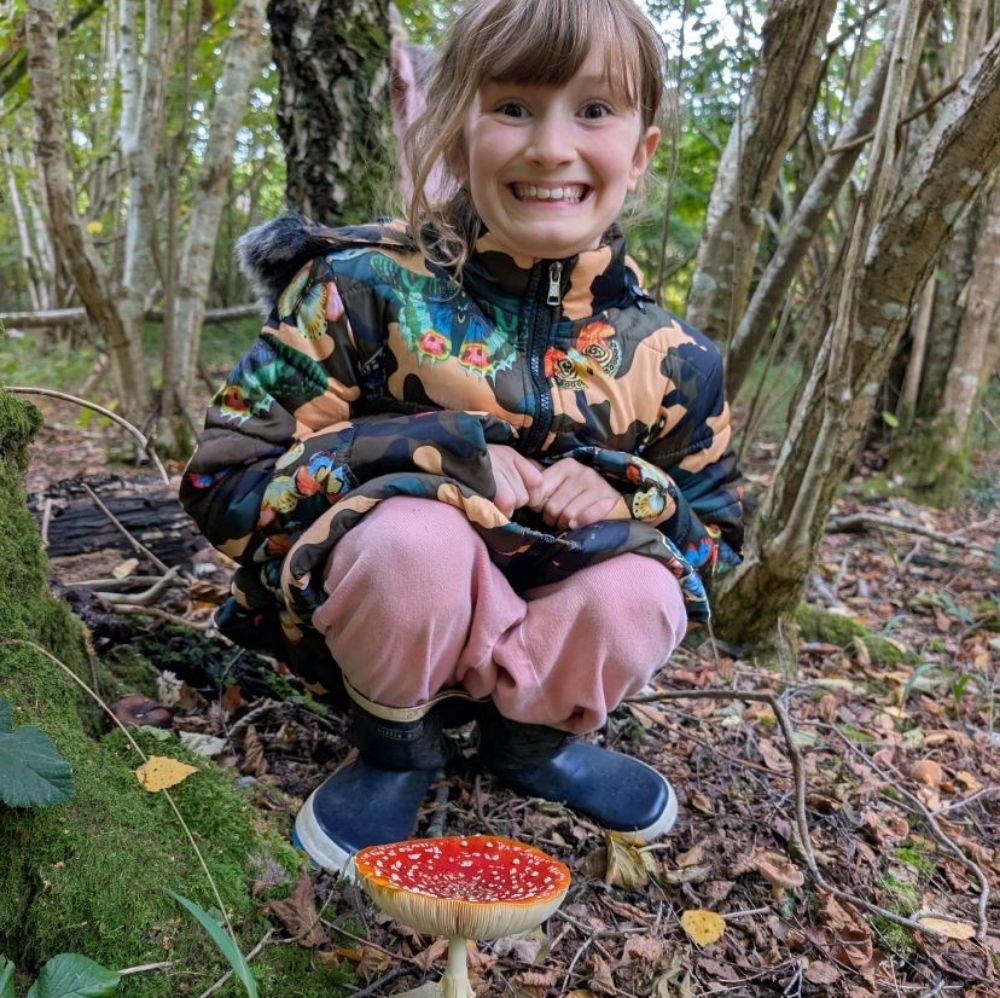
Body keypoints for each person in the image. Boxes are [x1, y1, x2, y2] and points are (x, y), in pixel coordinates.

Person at [180, 0, 745, 876]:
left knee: (640, 591)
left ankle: (533, 749)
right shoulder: (358, 288)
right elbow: (223, 483)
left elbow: (718, 550)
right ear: (455, 134)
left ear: (640, 153)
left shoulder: (679, 362)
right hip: (366, 646)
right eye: (513, 106)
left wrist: (631, 490)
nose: (552, 147)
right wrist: (432, 448)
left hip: (550, 658)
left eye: (593, 110)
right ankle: (395, 749)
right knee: (417, 541)